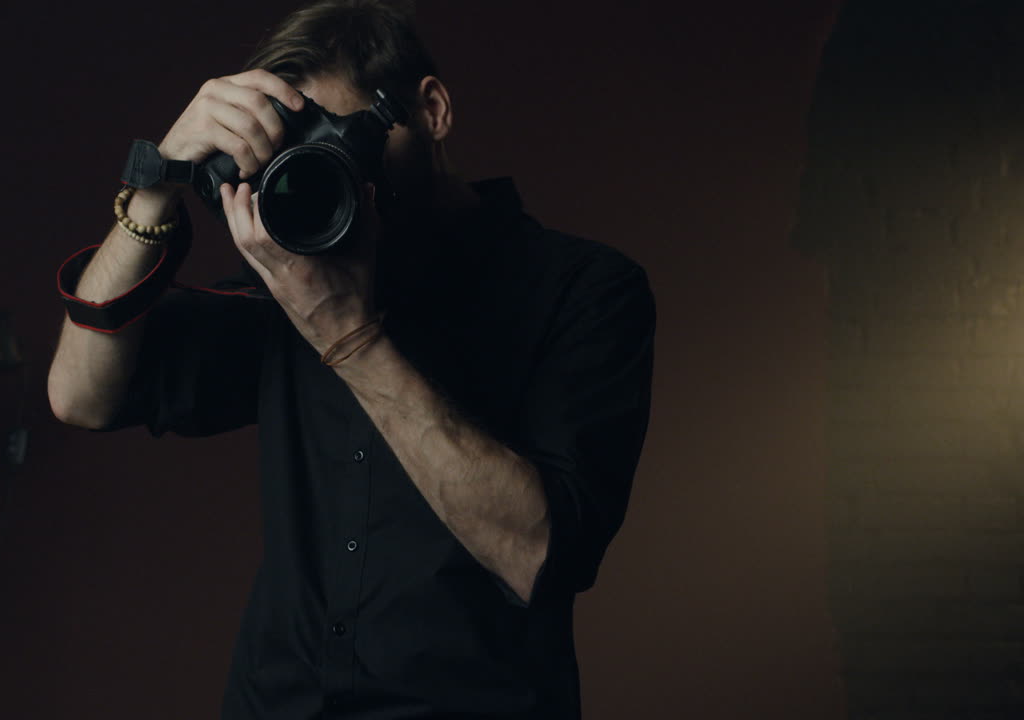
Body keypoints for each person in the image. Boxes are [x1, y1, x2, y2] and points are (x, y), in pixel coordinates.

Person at [47, 1, 655, 717]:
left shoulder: (584, 290)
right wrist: (156, 183)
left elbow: (539, 555)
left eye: (342, 139)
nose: (330, 174)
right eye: (295, 155)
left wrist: (349, 336)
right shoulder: (285, 297)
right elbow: (78, 395)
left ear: (430, 110)